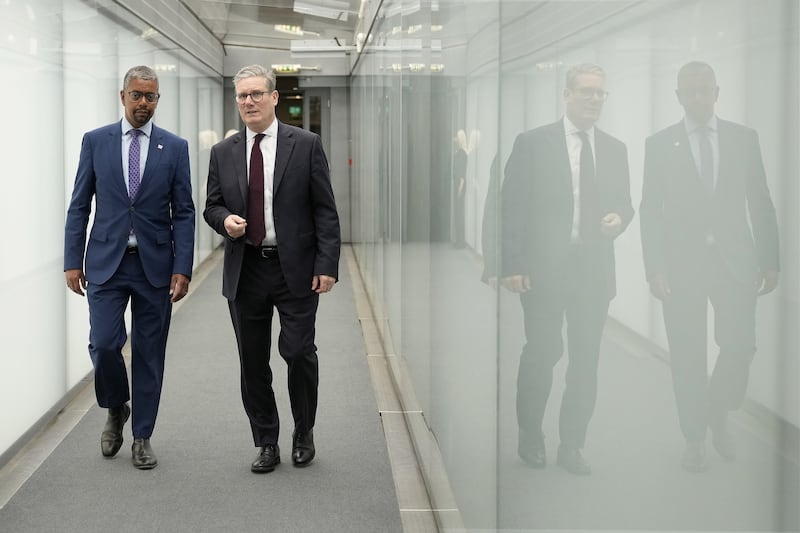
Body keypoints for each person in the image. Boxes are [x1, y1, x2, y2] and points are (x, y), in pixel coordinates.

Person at [640, 61, 780, 473]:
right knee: (687, 354)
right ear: (678, 97)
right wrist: (655, 267)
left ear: (717, 92)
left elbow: (761, 200)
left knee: (740, 345)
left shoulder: (743, 139)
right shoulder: (660, 144)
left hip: (735, 263)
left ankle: (716, 409)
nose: (698, 98)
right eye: (690, 92)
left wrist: (770, 259)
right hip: (680, 267)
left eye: (705, 90)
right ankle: (695, 438)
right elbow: (650, 209)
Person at [203, 65, 341, 474]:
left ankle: (303, 430)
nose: (248, 102)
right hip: (246, 270)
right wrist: (224, 220)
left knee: (298, 352)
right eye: (242, 96)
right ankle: (266, 441)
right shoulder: (223, 152)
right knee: (253, 361)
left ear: (274, 97)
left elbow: (325, 211)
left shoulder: (306, 144)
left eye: (256, 94)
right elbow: (211, 204)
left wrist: (327, 264)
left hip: (295, 268)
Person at [501, 63, 633, 475]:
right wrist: (513, 264)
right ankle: (530, 436)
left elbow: (626, 203)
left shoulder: (614, 148)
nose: (595, 99)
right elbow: (512, 207)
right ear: (567, 95)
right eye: (587, 92)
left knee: (585, 359)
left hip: (592, 271)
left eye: (601, 93)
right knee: (542, 353)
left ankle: (573, 444)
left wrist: (620, 219)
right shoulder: (534, 143)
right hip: (544, 269)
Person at [64, 65, 195, 470]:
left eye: (151, 96)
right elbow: (80, 204)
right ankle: (116, 406)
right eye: (137, 95)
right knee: (104, 344)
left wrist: (183, 266)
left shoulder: (174, 147)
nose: (143, 103)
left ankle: (142, 436)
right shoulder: (96, 141)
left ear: (158, 100)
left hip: (155, 265)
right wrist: (72, 261)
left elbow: (185, 211)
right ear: (122, 96)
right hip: (105, 263)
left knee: (149, 353)